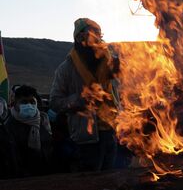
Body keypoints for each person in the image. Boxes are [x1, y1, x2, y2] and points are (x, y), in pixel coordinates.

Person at [49, 18, 120, 172]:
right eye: (90, 34)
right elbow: (55, 102)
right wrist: (80, 100)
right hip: (86, 139)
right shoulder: (66, 69)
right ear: (79, 38)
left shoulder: (110, 63)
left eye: (98, 34)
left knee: (111, 180)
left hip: (111, 133)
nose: (95, 38)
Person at [4, 85, 52, 177]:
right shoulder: (8, 127)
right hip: (21, 176)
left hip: (45, 173)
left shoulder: (44, 121)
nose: (29, 105)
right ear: (15, 104)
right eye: (24, 102)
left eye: (32, 102)